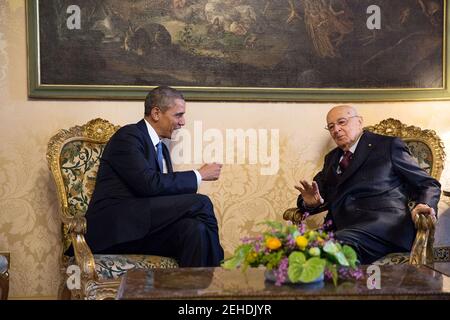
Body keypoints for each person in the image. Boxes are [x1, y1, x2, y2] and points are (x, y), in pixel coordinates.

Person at [85, 86, 224, 267]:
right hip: (115, 229)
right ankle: (220, 270)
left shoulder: (162, 149)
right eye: (178, 115)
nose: (182, 122)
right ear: (156, 113)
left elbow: (162, 194)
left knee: (194, 229)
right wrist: (199, 174)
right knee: (201, 202)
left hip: (143, 227)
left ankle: (191, 292)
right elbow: (149, 184)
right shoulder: (128, 136)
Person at [295, 105, 441, 264]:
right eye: (331, 127)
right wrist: (309, 203)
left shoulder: (388, 146)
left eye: (342, 122)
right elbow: (314, 193)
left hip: (384, 227)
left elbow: (428, 183)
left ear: (359, 122)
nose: (336, 129)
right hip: (341, 228)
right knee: (294, 246)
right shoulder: (331, 159)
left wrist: (424, 204)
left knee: (334, 248)